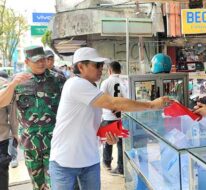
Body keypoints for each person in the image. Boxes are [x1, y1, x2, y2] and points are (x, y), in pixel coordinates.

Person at [49, 47, 171, 190]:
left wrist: (105, 136)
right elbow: (113, 103)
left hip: (89, 160)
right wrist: (151, 105)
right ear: (81, 67)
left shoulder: (93, 87)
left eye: (102, 65)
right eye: (97, 65)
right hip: (65, 162)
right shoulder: (75, 84)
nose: (101, 69)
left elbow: (90, 124)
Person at [0, 46, 65, 190]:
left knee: (54, 183)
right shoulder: (17, 81)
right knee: (37, 184)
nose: (41, 63)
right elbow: (1, 102)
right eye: (37, 61)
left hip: (54, 140)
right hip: (30, 142)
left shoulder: (58, 80)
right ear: (27, 61)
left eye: (43, 59)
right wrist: (12, 85)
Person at [100, 61, 127, 175]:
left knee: (107, 140)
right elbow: (128, 99)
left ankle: (107, 163)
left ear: (109, 70)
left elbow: (101, 100)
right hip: (121, 117)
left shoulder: (105, 82)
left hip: (108, 116)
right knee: (121, 143)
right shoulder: (124, 82)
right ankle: (121, 167)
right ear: (120, 70)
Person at [0, 71, 18, 190]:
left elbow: (12, 113)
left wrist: (15, 133)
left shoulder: (5, 85)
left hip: (1, 139)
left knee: (1, 174)